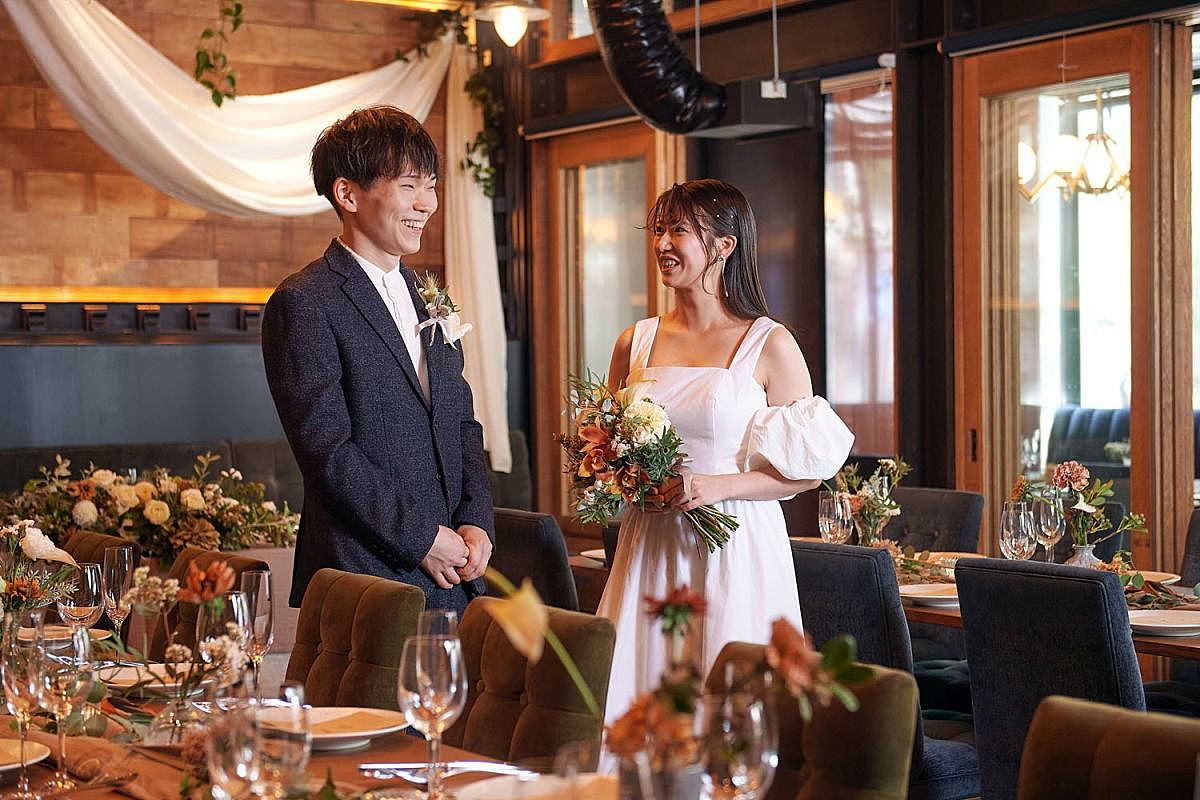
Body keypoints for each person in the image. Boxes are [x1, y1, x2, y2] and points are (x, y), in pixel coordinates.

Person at [596, 179, 854, 725]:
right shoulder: (633, 342)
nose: (663, 243)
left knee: (730, 704)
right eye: (659, 229)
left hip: (735, 544)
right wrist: (622, 475)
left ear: (723, 245)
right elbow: (605, 441)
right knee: (643, 692)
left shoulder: (770, 343)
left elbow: (806, 473)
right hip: (651, 543)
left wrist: (717, 486)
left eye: (679, 231)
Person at [261, 105, 494, 613]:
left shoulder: (431, 299)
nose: (427, 203)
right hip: (364, 582)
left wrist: (476, 519)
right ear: (348, 194)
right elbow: (328, 453)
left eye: (431, 186)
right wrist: (422, 538)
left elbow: (461, 423)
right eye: (409, 186)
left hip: (455, 579)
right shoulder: (304, 301)